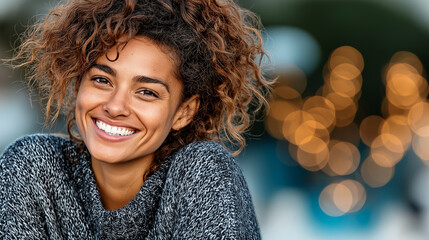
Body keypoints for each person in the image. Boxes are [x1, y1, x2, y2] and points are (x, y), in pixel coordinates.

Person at [0, 0, 271, 239]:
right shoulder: (33, 165)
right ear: (78, 84)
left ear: (183, 112)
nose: (115, 106)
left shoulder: (203, 173)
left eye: (146, 92)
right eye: (102, 80)